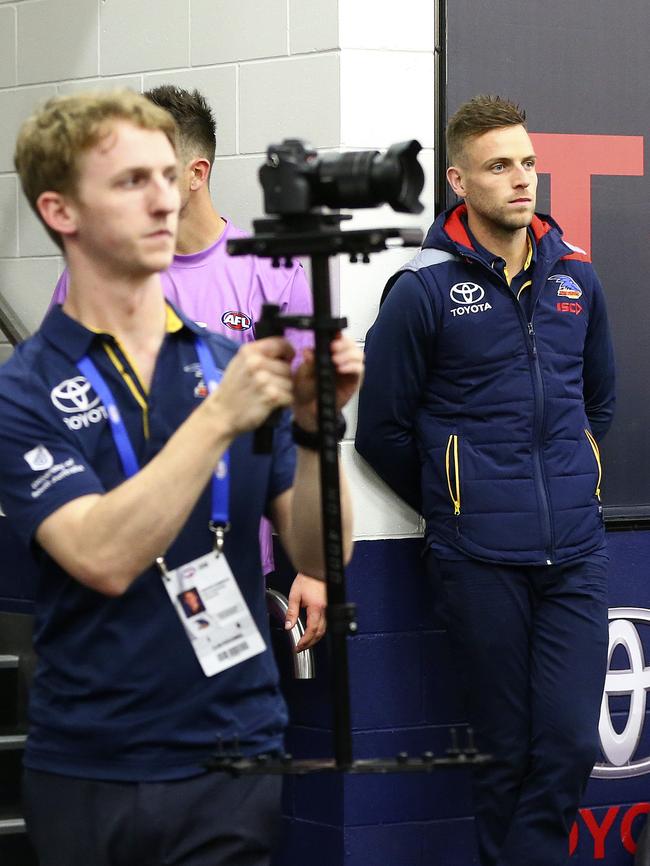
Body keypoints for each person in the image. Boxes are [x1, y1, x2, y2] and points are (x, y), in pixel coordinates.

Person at [1, 89, 362, 866]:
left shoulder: (227, 363)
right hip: (95, 764)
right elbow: (100, 553)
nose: (163, 199)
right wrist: (219, 418)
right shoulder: (25, 387)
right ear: (61, 212)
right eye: (131, 181)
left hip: (232, 750)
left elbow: (317, 551)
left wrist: (314, 432)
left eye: (168, 176)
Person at [355, 95, 615, 866]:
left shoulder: (576, 279)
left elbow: (597, 402)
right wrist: (457, 502)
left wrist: (571, 481)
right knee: (504, 757)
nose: (521, 179)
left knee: (568, 744)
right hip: (478, 561)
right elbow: (381, 431)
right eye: (500, 165)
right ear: (460, 180)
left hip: (575, 552)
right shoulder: (424, 287)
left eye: (529, 163)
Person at [49, 85, 318, 647]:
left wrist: (314, 566)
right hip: (119, 554)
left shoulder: (274, 272)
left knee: (226, 725)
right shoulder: (93, 273)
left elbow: (303, 424)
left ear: (196, 174)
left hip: (230, 558)